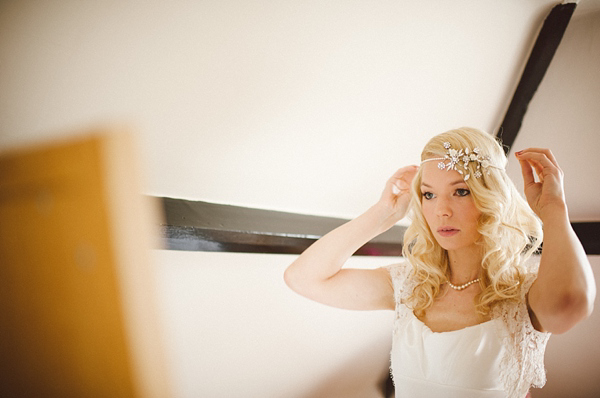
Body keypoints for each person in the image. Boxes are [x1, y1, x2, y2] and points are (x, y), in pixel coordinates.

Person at [284, 127, 595, 398]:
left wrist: (553, 208)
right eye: (428, 195)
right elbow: (303, 278)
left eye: (460, 191)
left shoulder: (524, 296)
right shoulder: (411, 285)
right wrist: (384, 214)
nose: (441, 210)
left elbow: (572, 303)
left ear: (490, 198)